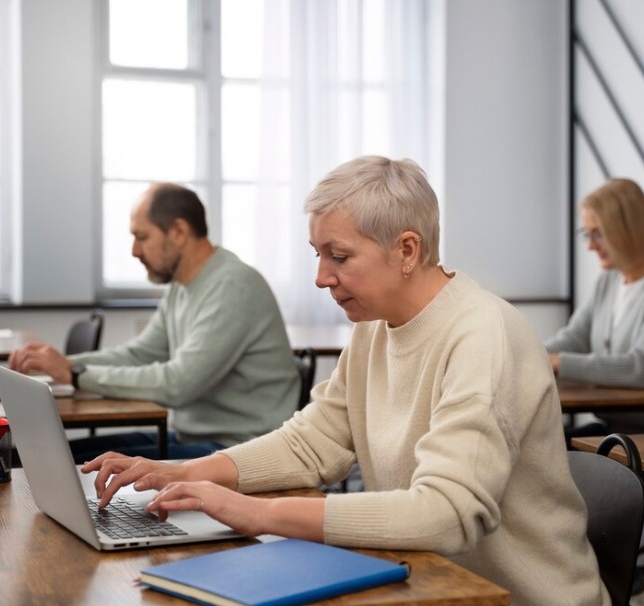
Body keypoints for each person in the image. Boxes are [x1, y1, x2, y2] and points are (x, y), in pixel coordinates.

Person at [82, 157, 610, 605]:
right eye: (318, 255)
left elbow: (446, 514)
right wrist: (184, 470)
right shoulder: (374, 327)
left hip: (508, 597)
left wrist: (258, 513)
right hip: (427, 583)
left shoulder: (482, 335)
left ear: (407, 251)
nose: (321, 277)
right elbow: (312, 442)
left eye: (339, 256)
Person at [9, 183, 299, 461]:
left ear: (179, 232)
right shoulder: (182, 285)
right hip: (193, 439)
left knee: (69, 464)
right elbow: (140, 354)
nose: (134, 251)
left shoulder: (233, 285)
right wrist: (66, 365)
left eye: (142, 237)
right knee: (52, 455)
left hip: (239, 451)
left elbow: (178, 384)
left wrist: (75, 375)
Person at [545, 178, 644, 435]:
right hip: (618, 429)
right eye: (586, 233)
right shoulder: (608, 281)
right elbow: (574, 338)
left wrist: (559, 363)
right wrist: (529, 356)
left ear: (629, 229)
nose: (589, 245)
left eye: (598, 233)